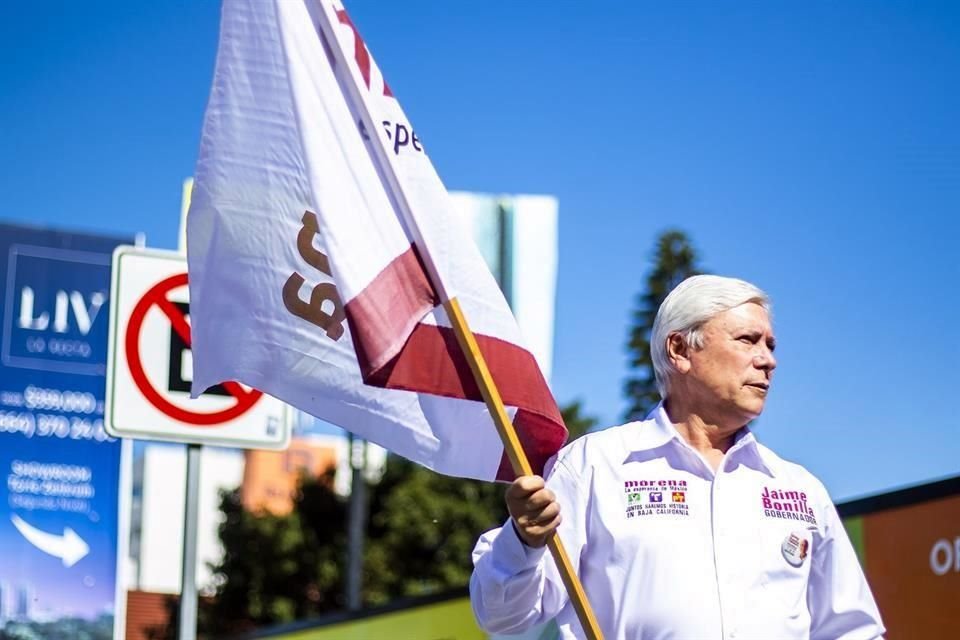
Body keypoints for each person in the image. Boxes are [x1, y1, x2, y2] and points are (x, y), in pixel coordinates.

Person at [470, 275, 884, 639]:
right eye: (747, 340)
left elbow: (851, 630)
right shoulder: (594, 466)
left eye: (771, 345)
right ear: (680, 349)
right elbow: (503, 617)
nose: (768, 360)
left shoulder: (800, 489)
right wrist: (523, 543)